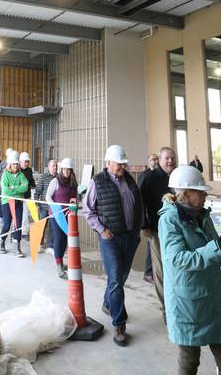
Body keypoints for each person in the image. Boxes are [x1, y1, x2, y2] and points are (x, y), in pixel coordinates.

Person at [159, 165, 221, 375]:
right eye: (201, 191)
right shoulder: (169, 219)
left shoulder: (202, 216)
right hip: (187, 304)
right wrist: (218, 249)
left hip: (212, 300)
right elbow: (178, 259)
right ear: (186, 193)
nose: (205, 195)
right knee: (189, 362)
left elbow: (216, 256)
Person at [82, 144, 142, 347]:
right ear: (108, 163)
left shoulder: (130, 181)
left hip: (130, 237)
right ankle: (119, 324)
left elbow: (138, 206)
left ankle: (108, 304)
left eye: (124, 164)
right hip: (110, 238)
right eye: (119, 164)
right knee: (115, 279)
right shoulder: (97, 182)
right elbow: (88, 210)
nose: (122, 168)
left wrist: (137, 230)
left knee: (121, 278)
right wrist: (102, 230)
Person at [140, 147, 176, 308]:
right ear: (160, 160)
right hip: (156, 229)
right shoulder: (150, 178)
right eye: (167, 158)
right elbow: (140, 203)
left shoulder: (176, 177)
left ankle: (174, 300)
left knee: (173, 266)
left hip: (175, 229)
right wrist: (144, 225)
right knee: (160, 269)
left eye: (172, 158)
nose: (170, 161)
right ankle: (165, 307)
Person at [46, 158, 78, 278]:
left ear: (71, 170)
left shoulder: (73, 183)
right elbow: (48, 197)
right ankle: (59, 265)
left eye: (68, 170)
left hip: (68, 216)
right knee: (59, 238)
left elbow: (76, 198)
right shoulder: (55, 181)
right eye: (64, 169)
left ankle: (61, 261)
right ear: (61, 169)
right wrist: (55, 208)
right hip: (56, 215)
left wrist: (74, 204)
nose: (66, 172)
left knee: (65, 239)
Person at [0, 150, 29, 257]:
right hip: (7, 202)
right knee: (7, 224)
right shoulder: (5, 175)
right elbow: (6, 190)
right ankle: (2, 240)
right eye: (14, 164)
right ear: (10, 164)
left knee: (18, 224)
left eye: (17, 163)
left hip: (18, 202)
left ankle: (17, 245)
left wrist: (14, 188)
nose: (16, 166)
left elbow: (25, 187)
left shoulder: (21, 175)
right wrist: (18, 189)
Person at [138, 153, 160, 285]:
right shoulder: (144, 176)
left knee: (154, 246)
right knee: (151, 244)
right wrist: (143, 224)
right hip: (149, 218)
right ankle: (148, 272)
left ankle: (152, 271)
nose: (155, 161)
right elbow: (141, 201)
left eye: (157, 159)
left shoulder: (158, 176)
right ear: (148, 162)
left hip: (157, 217)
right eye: (153, 159)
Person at [34, 158, 58, 252]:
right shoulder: (43, 177)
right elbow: (37, 192)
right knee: (41, 226)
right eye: (53, 166)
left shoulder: (59, 178)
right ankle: (39, 244)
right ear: (48, 167)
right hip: (43, 207)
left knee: (52, 227)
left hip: (54, 208)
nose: (55, 167)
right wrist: (37, 204)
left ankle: (50, 246)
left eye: (56, 165)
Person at [19, 152, 35, 237]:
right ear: (20, 161)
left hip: (27, 196)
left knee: (25, 214)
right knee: (18, 215)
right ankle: (16, 231)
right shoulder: (17, 170)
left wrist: (34, 184)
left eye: (27, 161)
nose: (26, 163)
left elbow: (31, 180)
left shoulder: (29, 170)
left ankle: (24, 232)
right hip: (18, 196)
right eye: (25, 161)